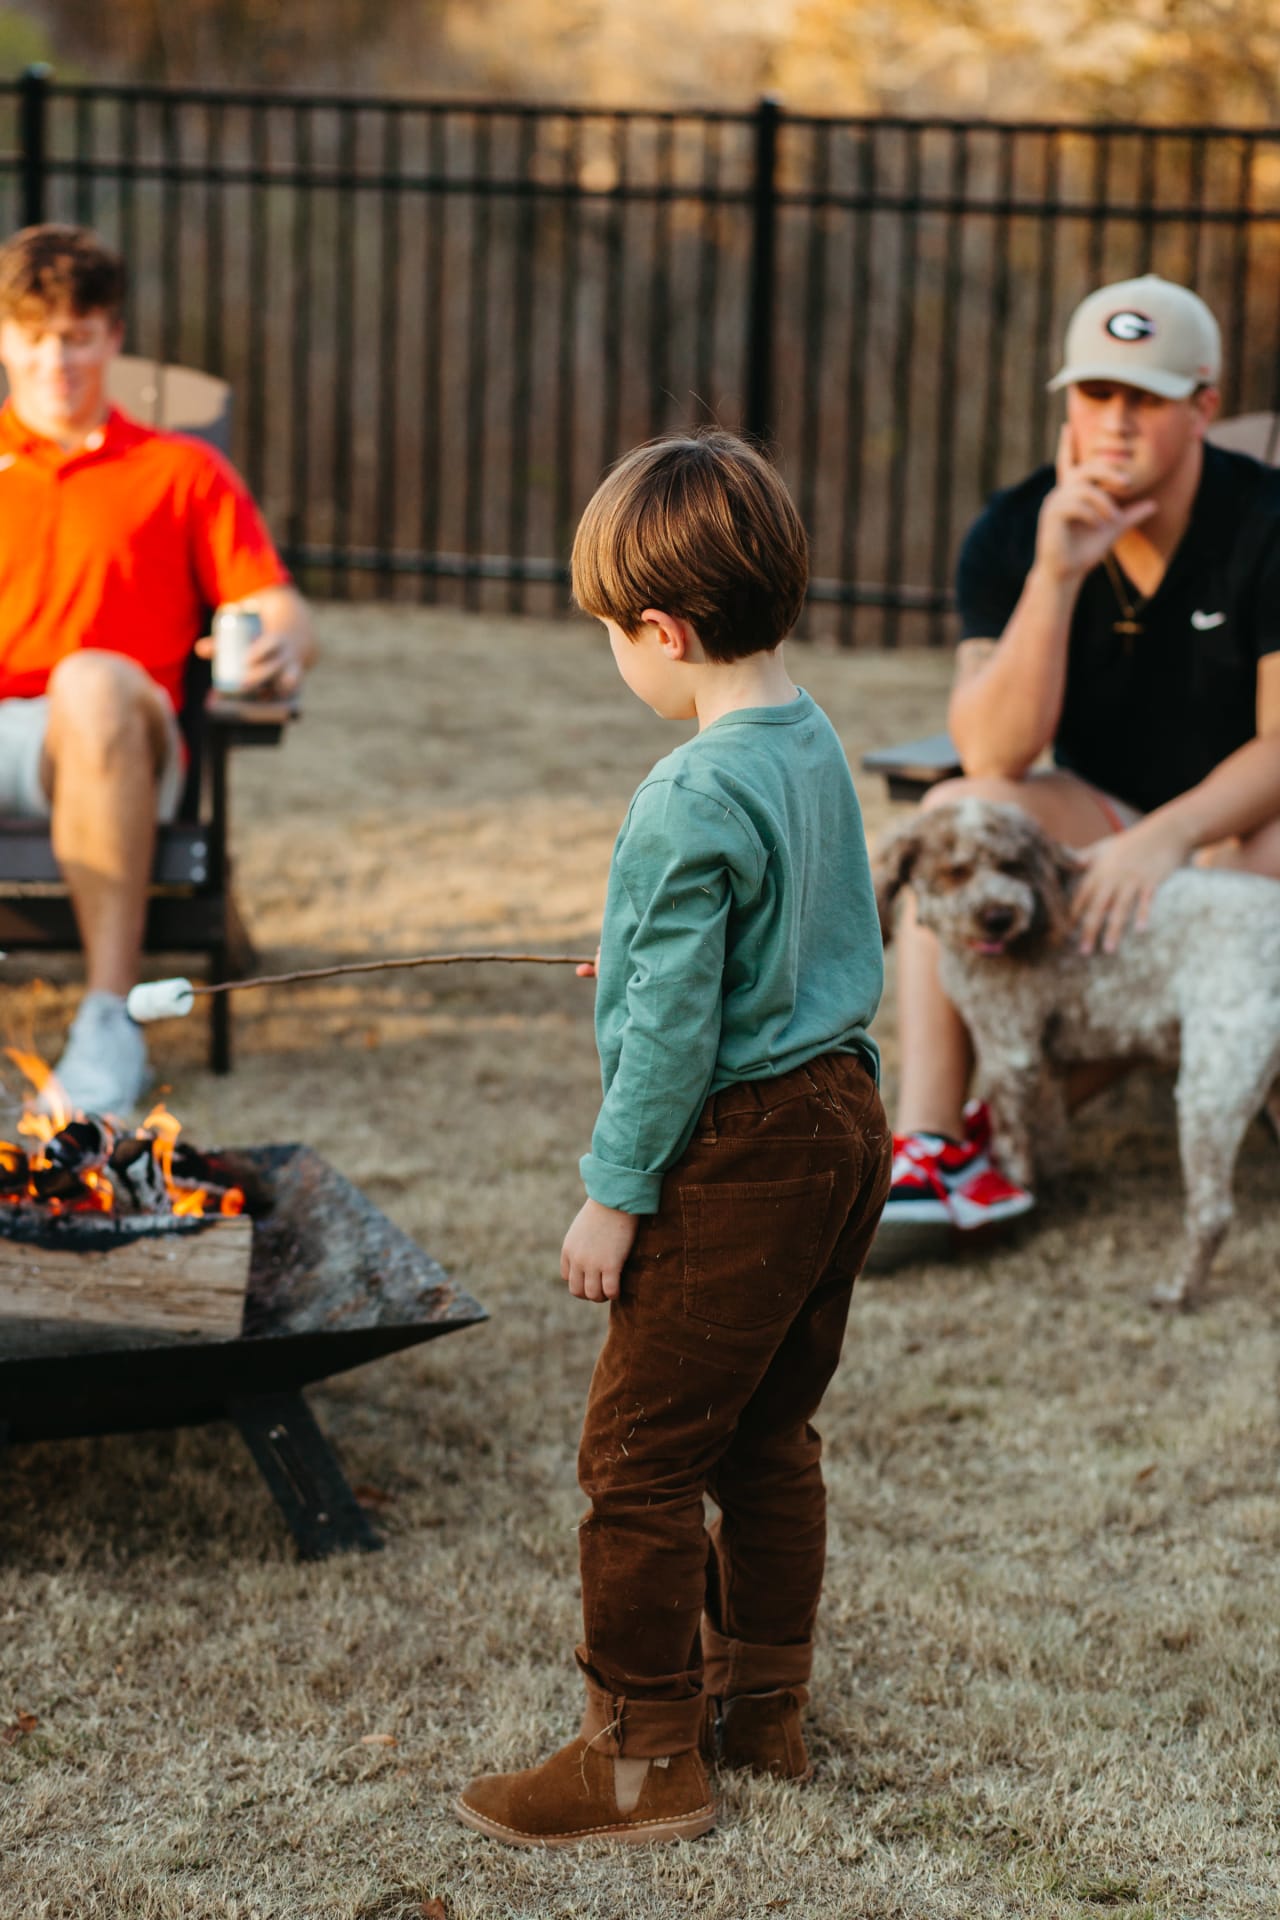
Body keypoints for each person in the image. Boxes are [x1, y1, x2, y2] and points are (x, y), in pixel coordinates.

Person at [454, 432, 891, 1848]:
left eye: (610, 638)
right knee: (767, 1434)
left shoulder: (687, 791)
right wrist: (646, 965)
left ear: (666, 629)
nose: (615, 664)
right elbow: (776, 938)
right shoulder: (809, 733)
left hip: (740, 1146)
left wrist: (613, 1194)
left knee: (635, 1464)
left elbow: (676, 1043)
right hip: (840, 1120)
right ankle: (762, 1710)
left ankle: (639, 1762)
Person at [879, 273, 1280, 1250]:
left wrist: (1166, 840)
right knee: (961, 810)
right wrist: (1055, 574)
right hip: (1092, 816)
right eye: (1094, 394)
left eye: (1142, 397)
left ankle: (1035, 1109)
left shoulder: (1265, 522)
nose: (1114, 422)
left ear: (1202, 405)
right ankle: (934, 1143)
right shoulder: (1014, 527)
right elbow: (992, 749)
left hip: (1233, 826)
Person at [0, 223, 316, 1117]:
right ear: (4, 341)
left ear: (112, 337)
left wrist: (276, 645)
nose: (56, 358)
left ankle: (107, 1023)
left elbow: (284, 607)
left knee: (88, 681)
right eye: (34, 334)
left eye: (77, 334)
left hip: (121, 737)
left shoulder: (182, 471)